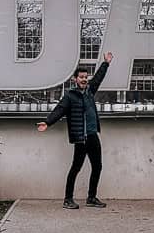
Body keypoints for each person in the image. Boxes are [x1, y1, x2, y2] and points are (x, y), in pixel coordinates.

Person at [37, 52, 112, 209]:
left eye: (86, 77)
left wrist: (106, 63)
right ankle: (68, 199)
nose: (84, 79)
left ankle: (91, 198)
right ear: (75, 79)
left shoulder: (90, 92)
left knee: (97, 166)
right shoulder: (70, 96)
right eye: (81, 77)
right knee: (76, 168)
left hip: (92, 136)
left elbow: (98, 78)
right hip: (81, 138)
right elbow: (59, 110)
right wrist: (48, 122)